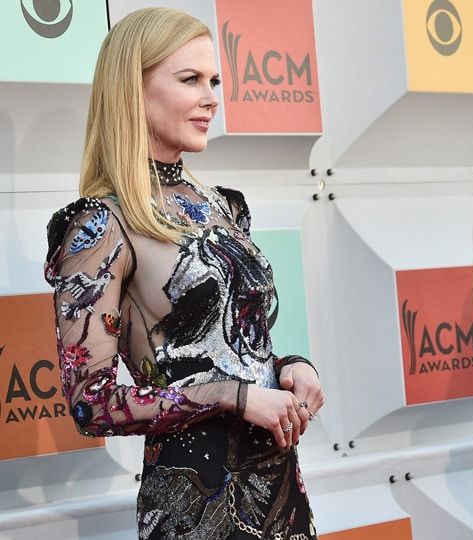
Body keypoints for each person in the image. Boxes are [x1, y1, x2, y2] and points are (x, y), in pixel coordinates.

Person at [43, 8, 322, 539]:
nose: (212, 97)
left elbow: (233, 347)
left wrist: (290, 367)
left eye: (214, 80)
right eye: (190, 79)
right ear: (132, 88)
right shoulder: (101, 225)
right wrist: (228, 396)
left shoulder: (224, 207)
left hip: (277, 495)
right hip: (193, 506)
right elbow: (91, 403)